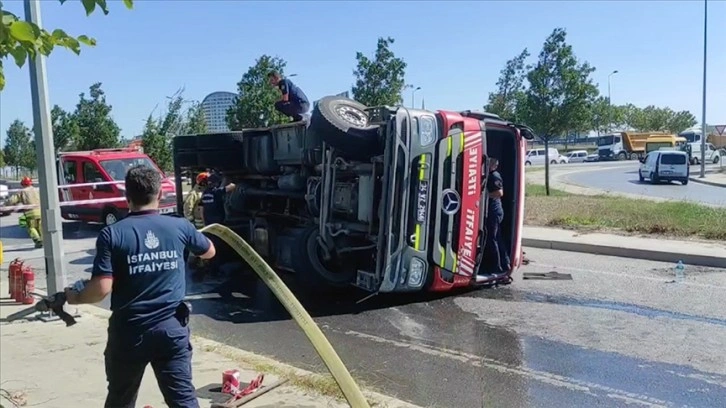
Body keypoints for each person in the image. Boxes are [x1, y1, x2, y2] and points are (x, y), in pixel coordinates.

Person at [64, 165, 216, 408]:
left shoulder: (112, 234)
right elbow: (209, 252)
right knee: (183, 400)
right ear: (160, 194)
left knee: (121, 398)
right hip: (171, 330)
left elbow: (101, 289)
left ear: (127, 196)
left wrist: (75, 297)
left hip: (130, 332)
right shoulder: (179, 226)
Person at [484, 158, 511, 274]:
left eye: (489, 163)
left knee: (492, 238)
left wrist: (484, 195)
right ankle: (505, 263)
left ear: (493, 165)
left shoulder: (494, 176)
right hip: (493, 211)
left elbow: (499, 193)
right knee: (497, 238)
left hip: (494, 211)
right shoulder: (490, 175)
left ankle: (496, 267)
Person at [6, 177, 43, 248]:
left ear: (22, 184)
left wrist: (4, 205)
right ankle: (44, 241)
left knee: (31, 227)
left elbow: (12, 200)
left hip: (30, 213)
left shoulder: (22, 191)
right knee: (40, 227)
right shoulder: (36, 190)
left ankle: (38, 241)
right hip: (40, 211)